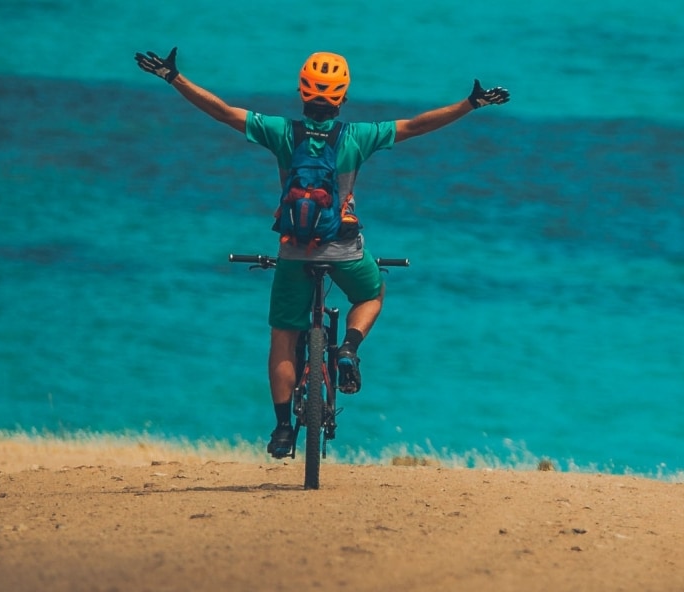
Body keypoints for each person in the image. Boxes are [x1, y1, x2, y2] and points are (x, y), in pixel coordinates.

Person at [133, 47, 509, 457]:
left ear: (301, 92)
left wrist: (174, 77)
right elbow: (417, 125)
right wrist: (471, 103)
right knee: (371, 294)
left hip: (294, 252)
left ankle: (282, 429)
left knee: (283, 335)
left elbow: (222, 112)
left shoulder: (281, 132)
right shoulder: (358, 136)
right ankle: (348, 348)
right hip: (344, 249)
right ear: (343, 97)